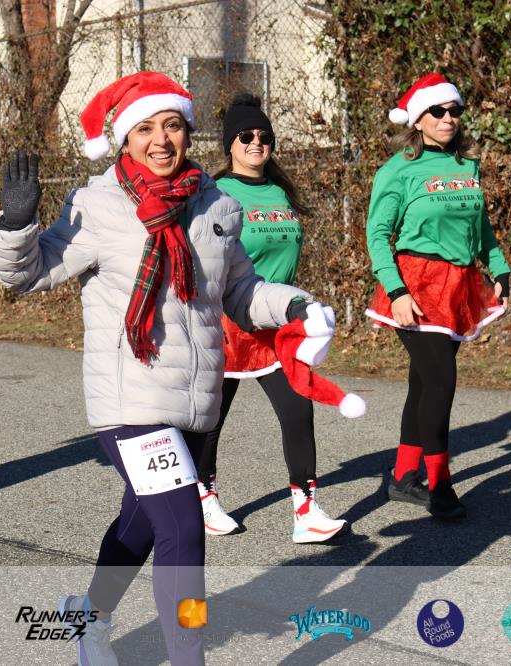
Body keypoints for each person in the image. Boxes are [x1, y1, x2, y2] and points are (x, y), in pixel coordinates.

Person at [0, 72, 337, 666]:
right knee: (183, 530)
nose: (160, 139)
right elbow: (26, 274)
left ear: (188, 132)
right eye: (145, 128)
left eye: (172, 125)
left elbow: (242, 293)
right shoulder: (97, 206)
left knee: (143, 525)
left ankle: (87, 618)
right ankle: (187, 655)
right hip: (130, 400)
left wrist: (297, 306)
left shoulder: (217, 206)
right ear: (125, 139)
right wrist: (16, 225)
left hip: (195, 400)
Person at [195, 94, 348, 543]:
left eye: (264, 136)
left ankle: (306, 511)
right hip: (229, 322)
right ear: (229, 144)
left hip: (277, 323)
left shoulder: (280, 192)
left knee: (298, 410)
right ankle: (203, 498)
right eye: (245, 136)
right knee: (210, 418)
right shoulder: (214, 193)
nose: (256, 142)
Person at [366, 72, 510, 520]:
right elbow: (377, 234)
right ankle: (441, 484)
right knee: (441, 381)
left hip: (460, 284)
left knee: (424, 382)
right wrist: (396, 291)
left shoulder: (467, 166)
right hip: (415, 285)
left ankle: (403, 477)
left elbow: (480, 226)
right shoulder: (397, 170)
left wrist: (500, 267)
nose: (448, 118)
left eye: (454, 110)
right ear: (418, 119)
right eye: (438, 111)